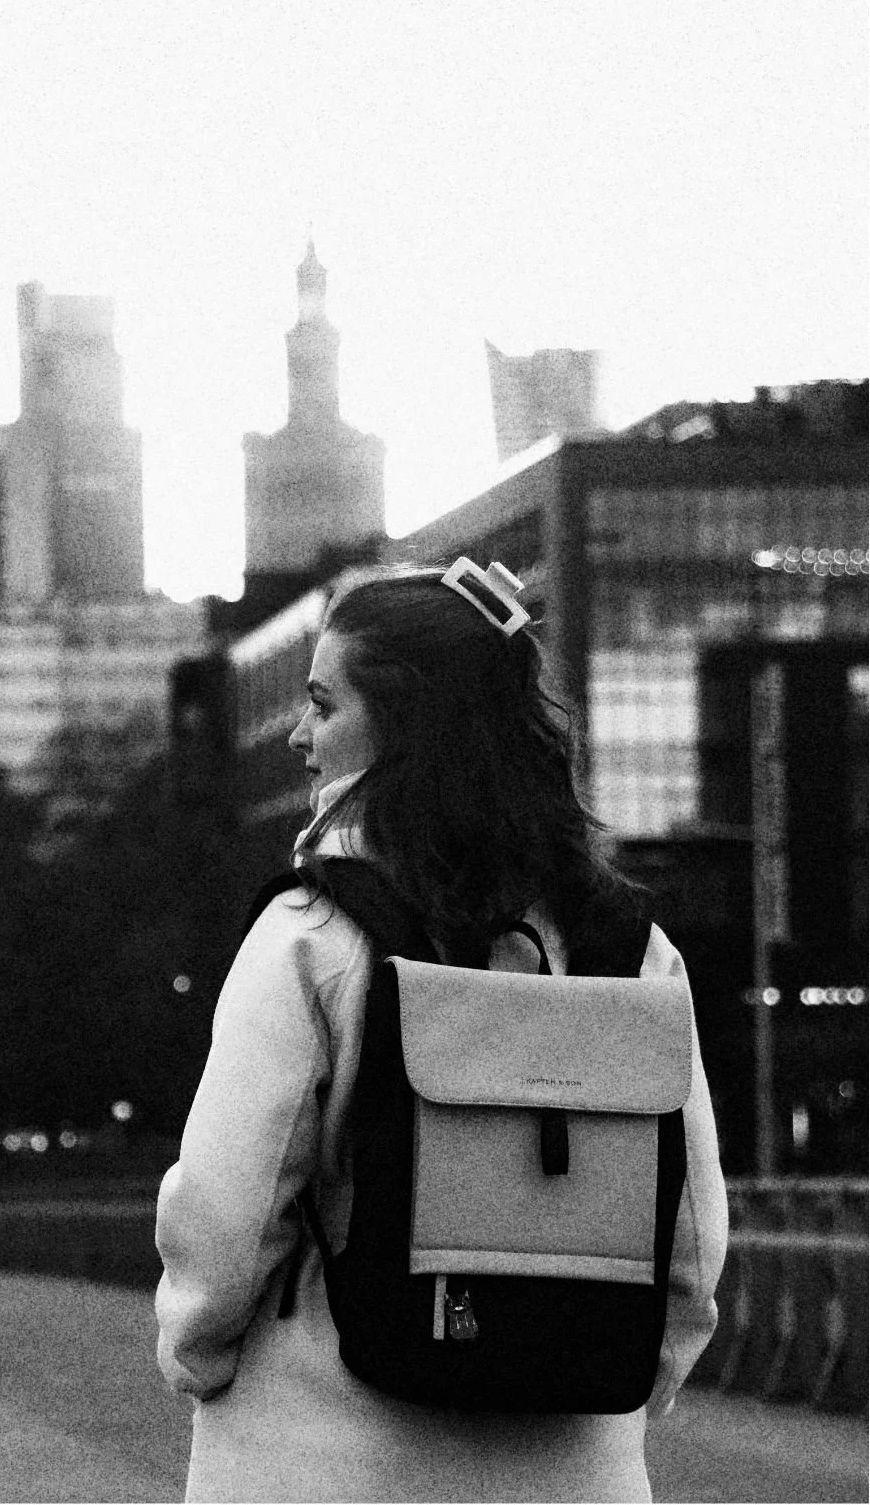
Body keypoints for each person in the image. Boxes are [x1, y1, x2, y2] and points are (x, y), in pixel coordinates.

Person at [155, 562, 729, 1504]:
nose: (302, 734)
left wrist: (200, 1355)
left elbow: (229, 1205)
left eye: (324, 705)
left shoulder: (313, 931)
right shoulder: (630, 945)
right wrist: (623, 1384)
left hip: (322, 1458)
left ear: (403, 723)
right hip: (571, 1467)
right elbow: (693, 1230)